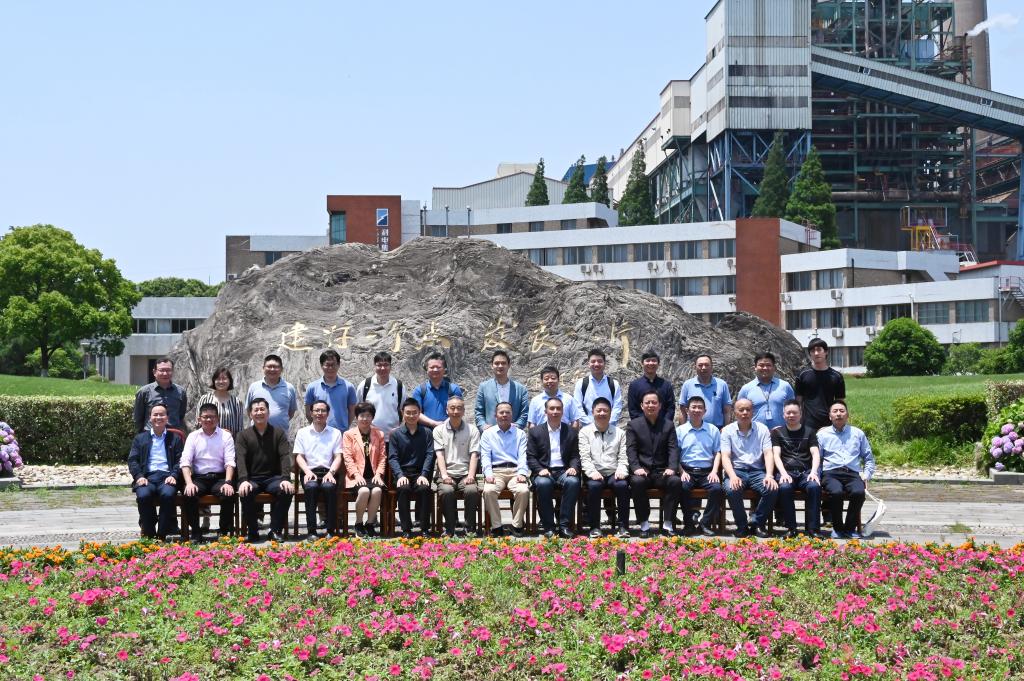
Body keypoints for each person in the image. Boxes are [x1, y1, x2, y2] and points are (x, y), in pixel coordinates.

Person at [235, 397, 294, 543]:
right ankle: (253, 532)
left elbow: (285, 456)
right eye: (256, 410)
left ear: (268, 413)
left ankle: (275, 530)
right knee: (245, 491)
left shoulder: (278, 433)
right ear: (250, 414)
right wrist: (243, 480)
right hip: (252, 479)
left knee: (286, 490)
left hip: (273, 478)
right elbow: (240, 459)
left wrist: (286, 478)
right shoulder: (243, 435)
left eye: (262, 409)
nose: (259, 412)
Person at [626, 391, 682, 538]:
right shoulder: (633, 425)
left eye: (654, 402)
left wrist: (672, 468)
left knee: (675, 481)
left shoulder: (668, 425)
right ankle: (644, 524)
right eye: (647, 402)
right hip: (642, 471)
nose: (651, 405)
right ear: (642, 406)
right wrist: (636, 468)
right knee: (637, 482)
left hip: (662, 471)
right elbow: (631, 450)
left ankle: (668, 524)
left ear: (660, 405)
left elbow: (673, 449)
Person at [720, 398, 778, 538]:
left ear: (753, 412)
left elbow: (768, 453)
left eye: (748, 409)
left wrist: (769, 475)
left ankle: (757, 523)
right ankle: (742, 526)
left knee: (772, 488)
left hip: (757, 471)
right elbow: (725, 456)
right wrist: (732, 476)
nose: (745, 412)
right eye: (741, 410)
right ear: (735, 412)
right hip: (736, 471)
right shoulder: (727, 431)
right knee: (732, 489)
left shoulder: (762, 429)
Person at [817, 400, 875, 539]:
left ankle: (849, 528)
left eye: (842, 411)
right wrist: (817, 476)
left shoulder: (858, 433)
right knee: (836, 492)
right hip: (831, 473)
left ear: (847, 415)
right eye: (835, 411)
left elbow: (869, 458)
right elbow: (817, 459)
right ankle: (837, 528)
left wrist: (866, 475)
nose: (838, 414)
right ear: (830, 416)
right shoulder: (822, 435)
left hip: (852, 473)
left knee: (858, 492)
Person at [180, 403, 236, 541]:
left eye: (212, 417)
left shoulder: (226, 436)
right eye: (205, 417)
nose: (209, 420)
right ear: (199, 419)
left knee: (228, 494)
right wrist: (189, 483)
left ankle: (223, 531)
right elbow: (185, 462)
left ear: (218, 418)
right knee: (189, 493)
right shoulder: (193, 436)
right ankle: (196, 532)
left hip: (220, 477)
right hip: (200, 478)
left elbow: (230, 461)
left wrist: (228, 482)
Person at [527, 397, 581, 539]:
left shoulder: (571, 431)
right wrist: (539, 469)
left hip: (564, 470)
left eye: (558, 408)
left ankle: (564, 526)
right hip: (544, 470)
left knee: (573, 482)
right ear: (545, 412)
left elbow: (575, 455)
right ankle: (549, 527)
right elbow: (531, 457)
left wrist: (573, 467)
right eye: (552, 408)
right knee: (543, 484)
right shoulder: (535, 432)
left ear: (563, 411)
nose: (555, 411)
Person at [128, 403, 183, 540]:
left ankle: (162, 534)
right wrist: (139, 476)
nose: (159, 417)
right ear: (150, 418)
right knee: (143, 495)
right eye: (155, 414)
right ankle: (149, 534)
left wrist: (174, 475)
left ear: (167, 418)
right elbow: (132, 460)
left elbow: (181, 460)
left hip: (167, 477)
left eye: (162, 414)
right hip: (147, 477)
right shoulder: (140, 438)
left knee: (168, 494)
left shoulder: (175, 438)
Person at [578, 397, 630, 539]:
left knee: (622, 485)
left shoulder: (620, 433)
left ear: (610, 413)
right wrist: (592, 472)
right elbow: (584, 457)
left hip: (614, 472)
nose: (602, 413)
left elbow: (623, 456)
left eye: (605, 410)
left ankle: (623, 526)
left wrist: (621, 471)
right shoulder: (584, 432)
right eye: (599, 410)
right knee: (594, 486)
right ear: (592, 412)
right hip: (594, 473)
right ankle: (595, 527)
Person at [294, 399, 344, 540]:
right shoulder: (302, 433)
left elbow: (338, 457)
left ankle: (330, 530)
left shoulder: (335, 433)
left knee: (329, 487)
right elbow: (299, 456)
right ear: (311, 413)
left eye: (323, 410)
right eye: (316, 410)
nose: (319, 413)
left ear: (327, 414)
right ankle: (312, 531)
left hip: (329, 472)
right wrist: (307, 471)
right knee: (311, 488)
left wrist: (331, 473)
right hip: (309, 471)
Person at [772, 400, 822, 538]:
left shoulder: (810, 432)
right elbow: (776, 455)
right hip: (786, 472)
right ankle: (791, 528)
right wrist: (783, 473)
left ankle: (813, 529)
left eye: (794, 412)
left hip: (806, 472)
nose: (791, 415)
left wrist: (814, 472)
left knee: (814, 487)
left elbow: (815, 453)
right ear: (783, 415)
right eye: (788, 413)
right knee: (784, 488)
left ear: (800, 414)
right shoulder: (777, 432)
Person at [675, 396, 724, 537]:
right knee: (682, 487)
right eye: (693, 407)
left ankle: (705, 523)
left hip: (707, 472)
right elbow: (675, 454)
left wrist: (714, 471)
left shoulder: (713, 430)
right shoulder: (680, 430)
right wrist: (681, 471)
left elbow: (718, 453)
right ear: (687, 410)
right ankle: (689, 524)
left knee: (717, 489)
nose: (696, 410)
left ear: (705, 411)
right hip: (687, 470)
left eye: (700, 407)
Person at [480, 401, 530, 537]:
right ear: (495, 415)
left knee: (523, 490)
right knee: (488, 491)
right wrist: (488, 474)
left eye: (507, 412)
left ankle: (516, 525)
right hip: (496, 472)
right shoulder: (487, 434)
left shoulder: (520, 434)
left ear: (512, 415)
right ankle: (497, 526)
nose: (504, 415)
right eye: (501, 412)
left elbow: (523, 456)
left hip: (515, 471)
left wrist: (522, 473)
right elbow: (485, 456)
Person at [433, 396, 481, 537]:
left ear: (464, 411)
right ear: (446, 410)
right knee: (446, 491)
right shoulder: (438, 430)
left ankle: (470, 528)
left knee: (472, 491)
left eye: (459, 408)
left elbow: (474, 455)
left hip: (465, 473)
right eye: (452, 408)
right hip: (446, 473)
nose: (455, 411)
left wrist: (471, 476)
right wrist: (444, 475)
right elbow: (439, 455)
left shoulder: (472, 430)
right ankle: (450, 528)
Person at [388, 399, 436, 538]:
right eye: (408, 413)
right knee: (403, 489)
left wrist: (424, 474)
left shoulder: (427, 433)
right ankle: (406, 529)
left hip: (421, 473)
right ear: (402, 413)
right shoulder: (396, 434)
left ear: (419, 413)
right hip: (403, 473)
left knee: (424, 489)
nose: (411, 416)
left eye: (414, 412)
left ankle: (424, 529)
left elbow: (430, 455)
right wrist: (399, 475)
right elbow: (393, 458)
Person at [342, 401, 387, 538]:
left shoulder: (379, 434)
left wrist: (378, 474)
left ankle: (370, 523)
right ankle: (358, 523)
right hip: (356, 476)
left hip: (373, 475)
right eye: (362, 415)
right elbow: (347, 458)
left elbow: (382, 457)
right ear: (356, 417)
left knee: (377, 490)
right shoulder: (349, 435)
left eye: (368, 415)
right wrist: (356, 475)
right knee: (364, 491)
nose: (365, 419)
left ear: (372, 417)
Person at [795, 338, 846, 431]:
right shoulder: (802, 375)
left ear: (826, 352)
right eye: (813, 351)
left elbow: (840, 402)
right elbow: (798, 401)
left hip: (830, 423)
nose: (816, 353)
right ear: (809, 354)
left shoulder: (836, 376)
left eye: (819, 350)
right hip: (808, 424)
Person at [737, 352, 795, 431]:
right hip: (755, 434)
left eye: (768, 365)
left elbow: (793, 410)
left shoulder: (785, 386)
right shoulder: (746, 389)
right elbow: (739, 413)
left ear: (774, 368)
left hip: (782, 434)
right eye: (761, 365)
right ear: (755, 367)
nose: (765, 368)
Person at [475, 350, 530, 431]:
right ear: (492, 366)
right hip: (490, 433)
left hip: (513, 434)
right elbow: (479, 412)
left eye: (503, 363)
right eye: (497, 363)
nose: (500, 366)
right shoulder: (483, 387)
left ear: (509, 365)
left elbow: (524, 413)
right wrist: (483, 426)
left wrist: (517, 426)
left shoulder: (520, 389)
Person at [305, 349, 357, 431]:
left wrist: (345, 426)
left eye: (333, 365)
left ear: (338, 365)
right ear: (321, 365)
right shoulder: (312, 387)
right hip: (320, 433)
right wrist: (317, 428)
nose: (330, 368)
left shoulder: (348, 387)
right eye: (327, 365)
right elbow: (308, 412)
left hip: (341, 432)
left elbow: (352, 411)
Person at [133, 357, 188, 433]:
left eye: (168, 370)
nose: (165, 373)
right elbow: (138, 418)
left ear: (172, 372)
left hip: (173, 435)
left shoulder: (181, 392)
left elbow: (181, 415)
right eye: (161, 370)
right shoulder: (144, 392)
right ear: (154, 372)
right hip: (151, 435)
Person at [246, 354, 299, 433]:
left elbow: (291, 412)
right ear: (263, 368)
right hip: (257, 435)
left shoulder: (289, 388)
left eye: (276, 367)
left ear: (281, 369)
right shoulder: (254, 387)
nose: (272, 369)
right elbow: (249, 410)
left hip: (281, 435)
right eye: (269, 366)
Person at [411, 352, 463, 428]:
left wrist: (445, 424)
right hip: (426, 432)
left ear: (444, 370)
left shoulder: (453, 389)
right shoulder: (420, 390)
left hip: (449, 430)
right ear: (427, 370)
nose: (435, 370)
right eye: (432, 367)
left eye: (438, 367)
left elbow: (459, 410)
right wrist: (433, 423)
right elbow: (415, 413)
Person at [679, 354, 732, 428]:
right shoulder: (687, 385)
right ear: (695, 367)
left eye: (706, 365)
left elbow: (727, 411)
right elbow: (682, 411)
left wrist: (726, 430)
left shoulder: (722, 385)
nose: (703, 368)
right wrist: (682, 430)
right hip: (693, 429)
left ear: (712, 367)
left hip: (717, 429)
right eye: (700, 365)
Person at [574, 348, 623, 426]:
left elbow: (617, 406)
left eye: (600, 361)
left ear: (604, 363)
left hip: (609, 428)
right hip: (588, 428)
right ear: (588, 364)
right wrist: (591, 425)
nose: (596, 364)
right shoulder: (581, 384)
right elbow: (577, 407)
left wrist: (607, 424)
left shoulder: (613, 384)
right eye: (593, 361)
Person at [358, 351, 405, 434]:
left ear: (391, 366)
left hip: (393, 435)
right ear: (374, 366)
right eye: (379, 365)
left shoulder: (398, 386)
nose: (382, 368)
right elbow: (358, 409)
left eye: (386, 365)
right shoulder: (365, 385)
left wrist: (400, 428)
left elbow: (404, 410)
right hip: (370, 435)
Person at [627, 351, 676, 421]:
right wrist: (644, 424)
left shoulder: (666, 385)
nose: (650, 363)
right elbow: (633, 410)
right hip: (641, 425)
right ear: (642, 364)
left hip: (663, 426)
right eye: (647, 360)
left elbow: (670, 408)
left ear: (658, 364)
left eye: (653, 360)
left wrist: (664, 424)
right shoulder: (634, 385)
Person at [195, 367, 245, 435]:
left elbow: (240, 427)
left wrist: (229, 435)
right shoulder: (205, 399)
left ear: (230, 381)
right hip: (207, 439)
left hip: (230, 440)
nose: (221, 381)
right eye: (218, 379)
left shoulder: (236, 402)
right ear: (214, 381)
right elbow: (198, 423)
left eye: (224, 379)